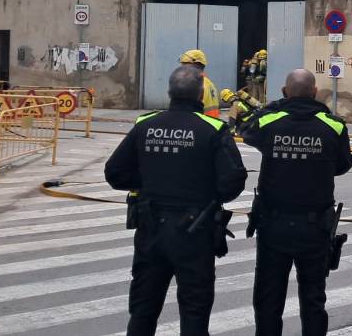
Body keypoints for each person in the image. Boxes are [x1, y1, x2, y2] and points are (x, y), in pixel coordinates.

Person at [105, 65, 247, 336]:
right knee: (194, 310)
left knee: (143, 309)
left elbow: (115, 173)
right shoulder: (214, 129)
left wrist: (147, 182)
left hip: (150, 229)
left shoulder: (145, 124)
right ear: (201, 95)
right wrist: (207, 190)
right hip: (194, 232)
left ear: (169, 92)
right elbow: (232, 183)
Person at [241, 69, 352, 336]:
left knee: (268, 300)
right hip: (314, 228)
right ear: (315, 92)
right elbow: (343, 165)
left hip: (273, 225)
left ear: (284, 92)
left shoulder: (269, 122)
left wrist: (279, 105)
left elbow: (245, 130)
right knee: (313, 300)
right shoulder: (333, 125)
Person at [180, 49, 221, 118]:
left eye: (184, 64)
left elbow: (185, 113)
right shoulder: (210, 83)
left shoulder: (193, 84)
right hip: (211, 124)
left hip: (199, 125)